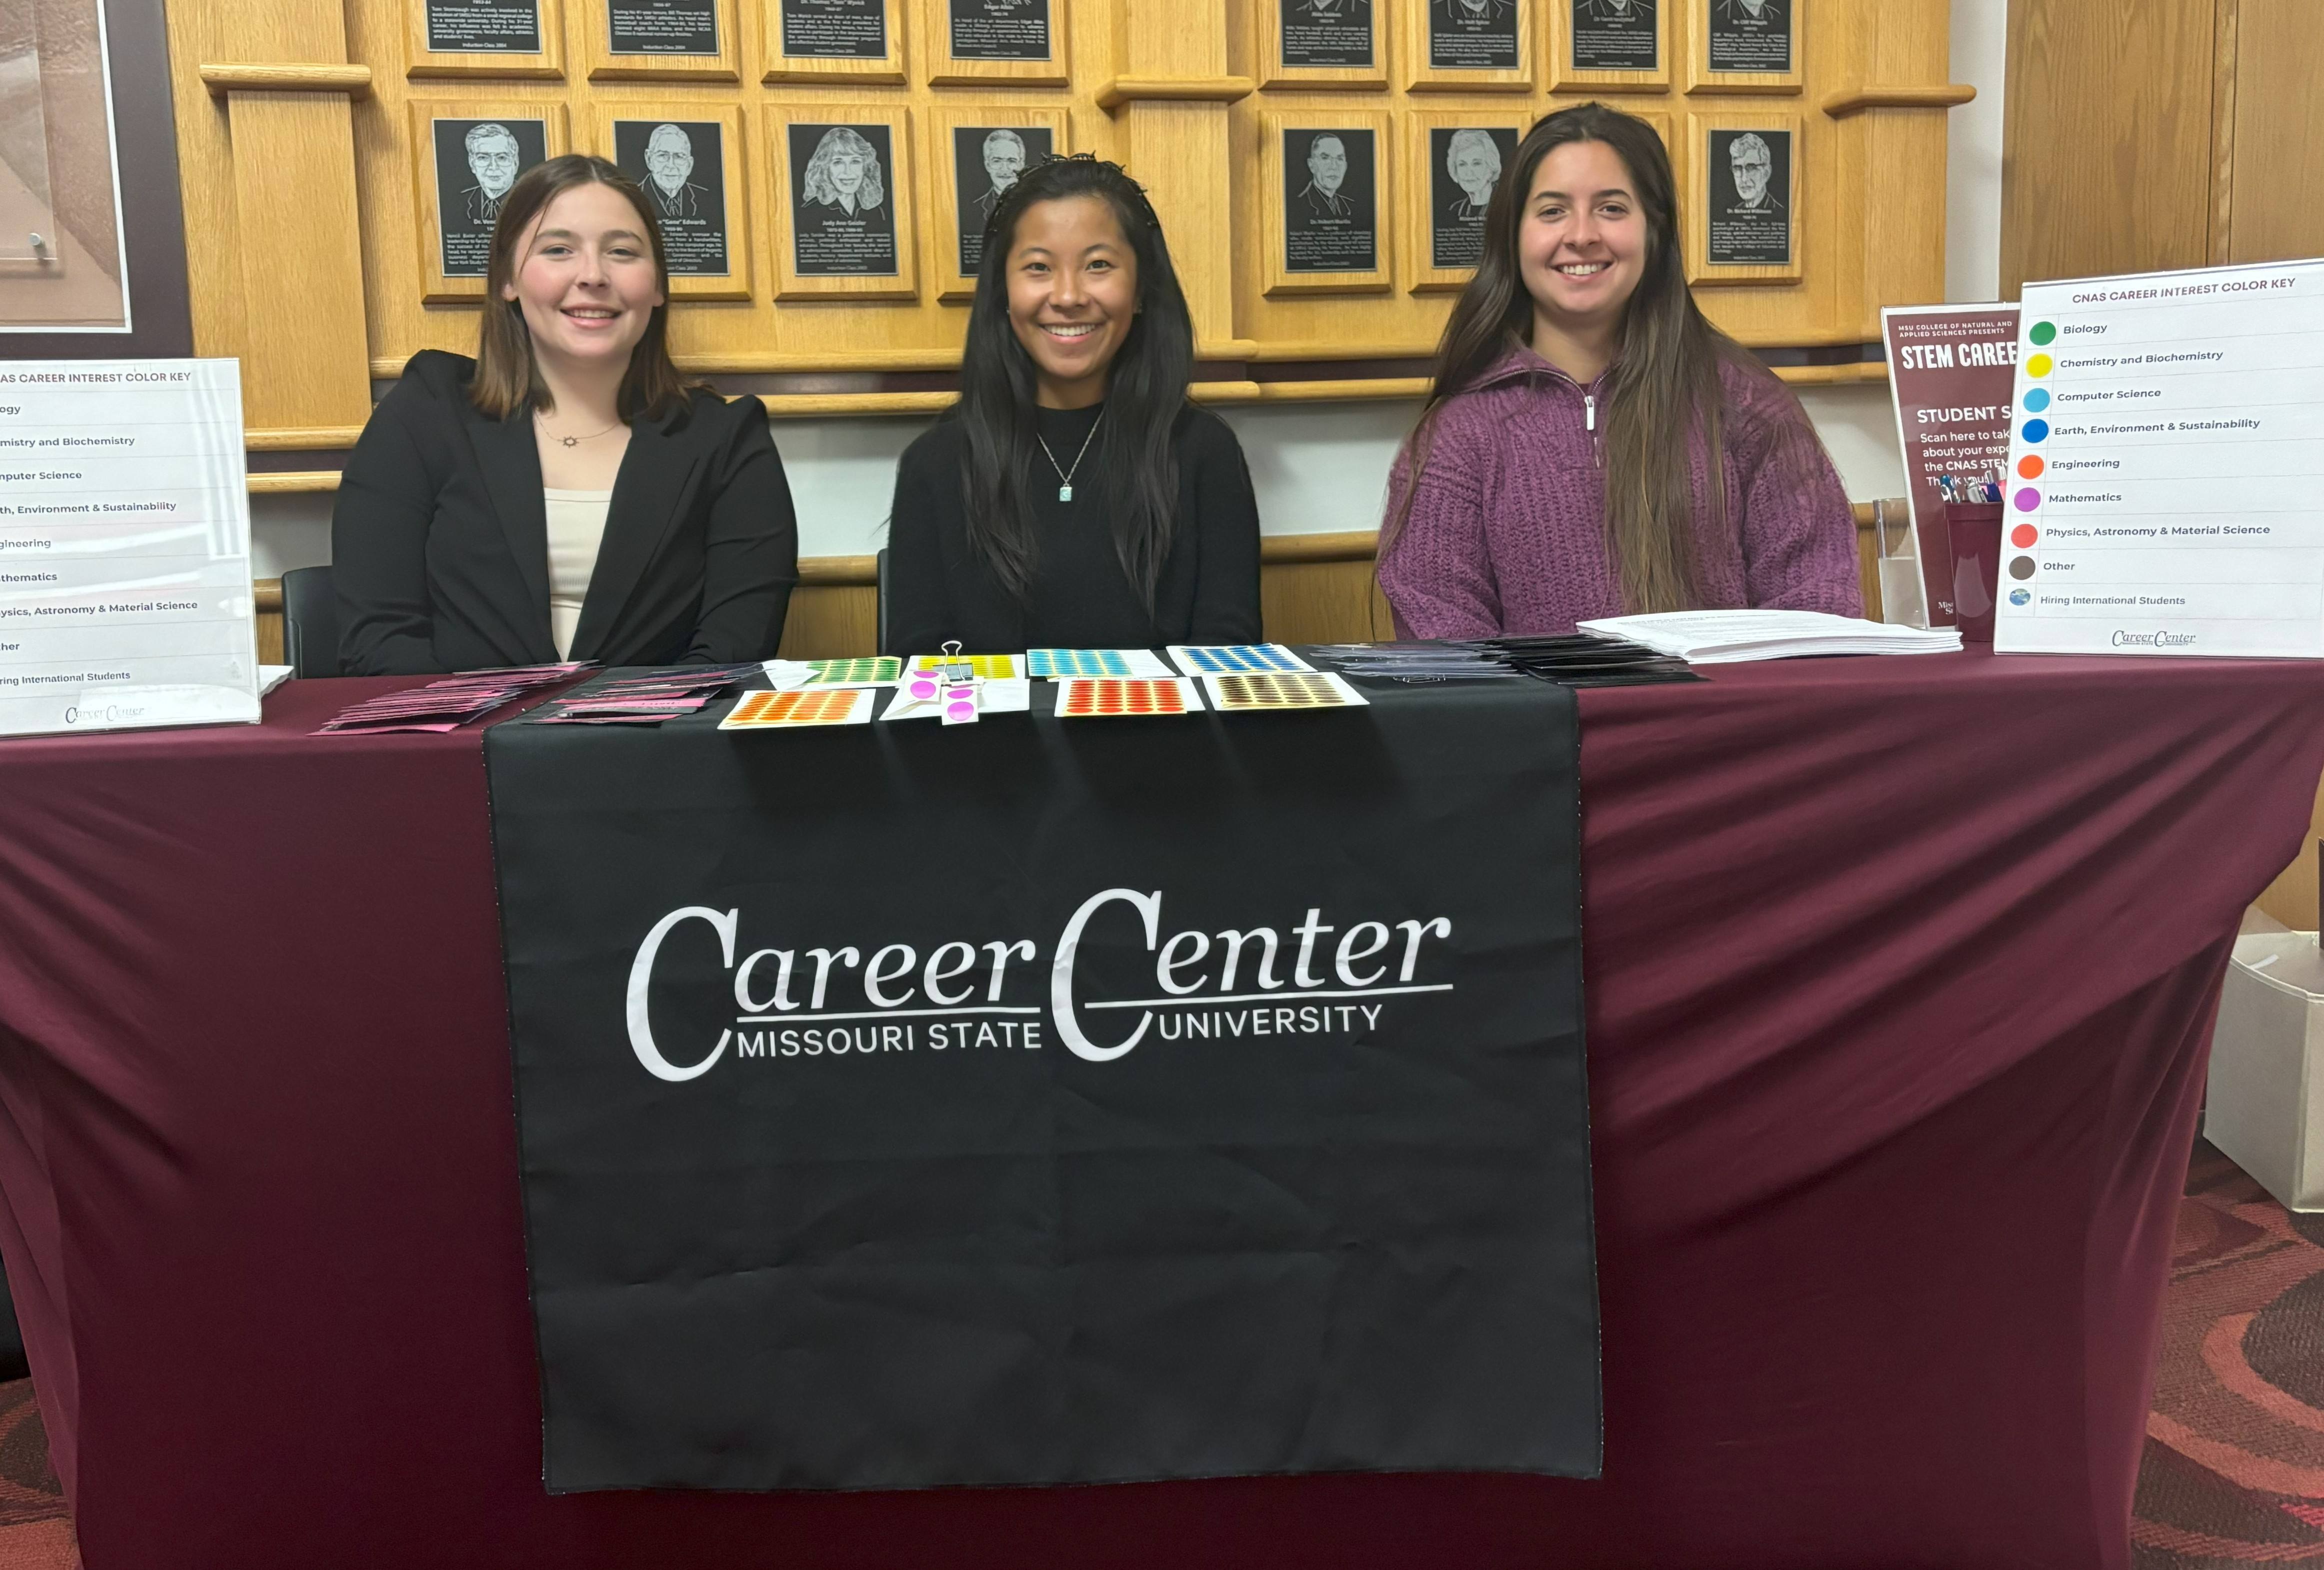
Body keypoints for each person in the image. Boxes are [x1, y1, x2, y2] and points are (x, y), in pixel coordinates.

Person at [1376, 102, 1858, 636]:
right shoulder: (1456, 439)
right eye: (1552, 211)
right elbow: (1450, 668)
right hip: (1545, 724)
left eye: (1610, 208)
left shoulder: (1750, 409)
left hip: (1728, 721)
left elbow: (1818, 619)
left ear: (1654, 232)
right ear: (1512, 237)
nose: (1581, 235)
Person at [334, 154, 798, 674]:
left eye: (622, 252)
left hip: (657, 747)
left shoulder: (726, 439)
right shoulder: (425, 414)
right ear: (508, 279)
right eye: (558, 250)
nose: (593, 276)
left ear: (659, 287)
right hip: (456, 747)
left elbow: (733, 652)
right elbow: (378, 640)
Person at [883, 154, 1260, 653]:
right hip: (988, 733)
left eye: (1097, 265)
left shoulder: (1203, 452)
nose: (1067, 296)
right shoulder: (934, 462)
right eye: (1038, 268)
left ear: (1142, 289)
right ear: (1003, 292)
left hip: (1161, 731)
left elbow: (1227, 657)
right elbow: (922, 676)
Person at [640, 123, 710, 219]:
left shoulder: (708, 199)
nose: (671, 165)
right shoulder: (630, 199)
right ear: (649, 159)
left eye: (679, 157)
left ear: (689, 165)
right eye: (663, 156)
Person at [461, 122, 521, 224]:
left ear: (515, 163)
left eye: (502, 158)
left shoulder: (533, 201)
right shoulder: (457, 202)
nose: (493, 167)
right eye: (483, 158)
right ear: (472, 164)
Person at [971, 129, 1027, 223]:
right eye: (997, 161)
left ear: (1021, 165)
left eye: (1012, 161)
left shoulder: (1038, 206)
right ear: (988, 165)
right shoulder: (972, 209)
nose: (1004, 169)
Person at [1444, 128, 1502, 220]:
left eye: (1477, 164)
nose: (1469, 172)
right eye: (1462, 164)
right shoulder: (1455, 210)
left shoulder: (1506, 205)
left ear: (1491, 168)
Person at [1296, 133, 1354, 218]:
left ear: (1345, 166)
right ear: (1312, 165)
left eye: (1339, 159)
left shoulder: (1352, 206)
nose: (1334, 166)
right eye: (1325, 158)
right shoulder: (1298, 206)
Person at [1726, 132, 1783, 213]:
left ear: (1766, 174)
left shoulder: (1779, 213)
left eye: (1751, 168)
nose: (1744, 179)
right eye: (1738, 168)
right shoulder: (1734, 212)